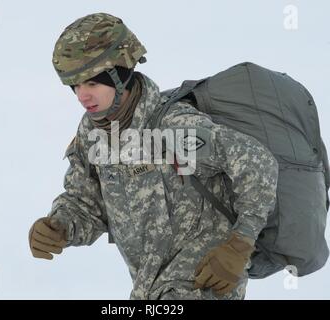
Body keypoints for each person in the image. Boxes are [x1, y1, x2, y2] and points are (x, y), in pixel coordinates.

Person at [28, 12, 279, 300]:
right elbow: (89, 202)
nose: (82, 96)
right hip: (149, 287)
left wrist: (240, 244)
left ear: (119, 75)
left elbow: (257, 163)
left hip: (203, 280)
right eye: (75, 86)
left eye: (92, 83)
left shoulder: (173, 126)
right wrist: (60, 226)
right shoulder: (93, 134)